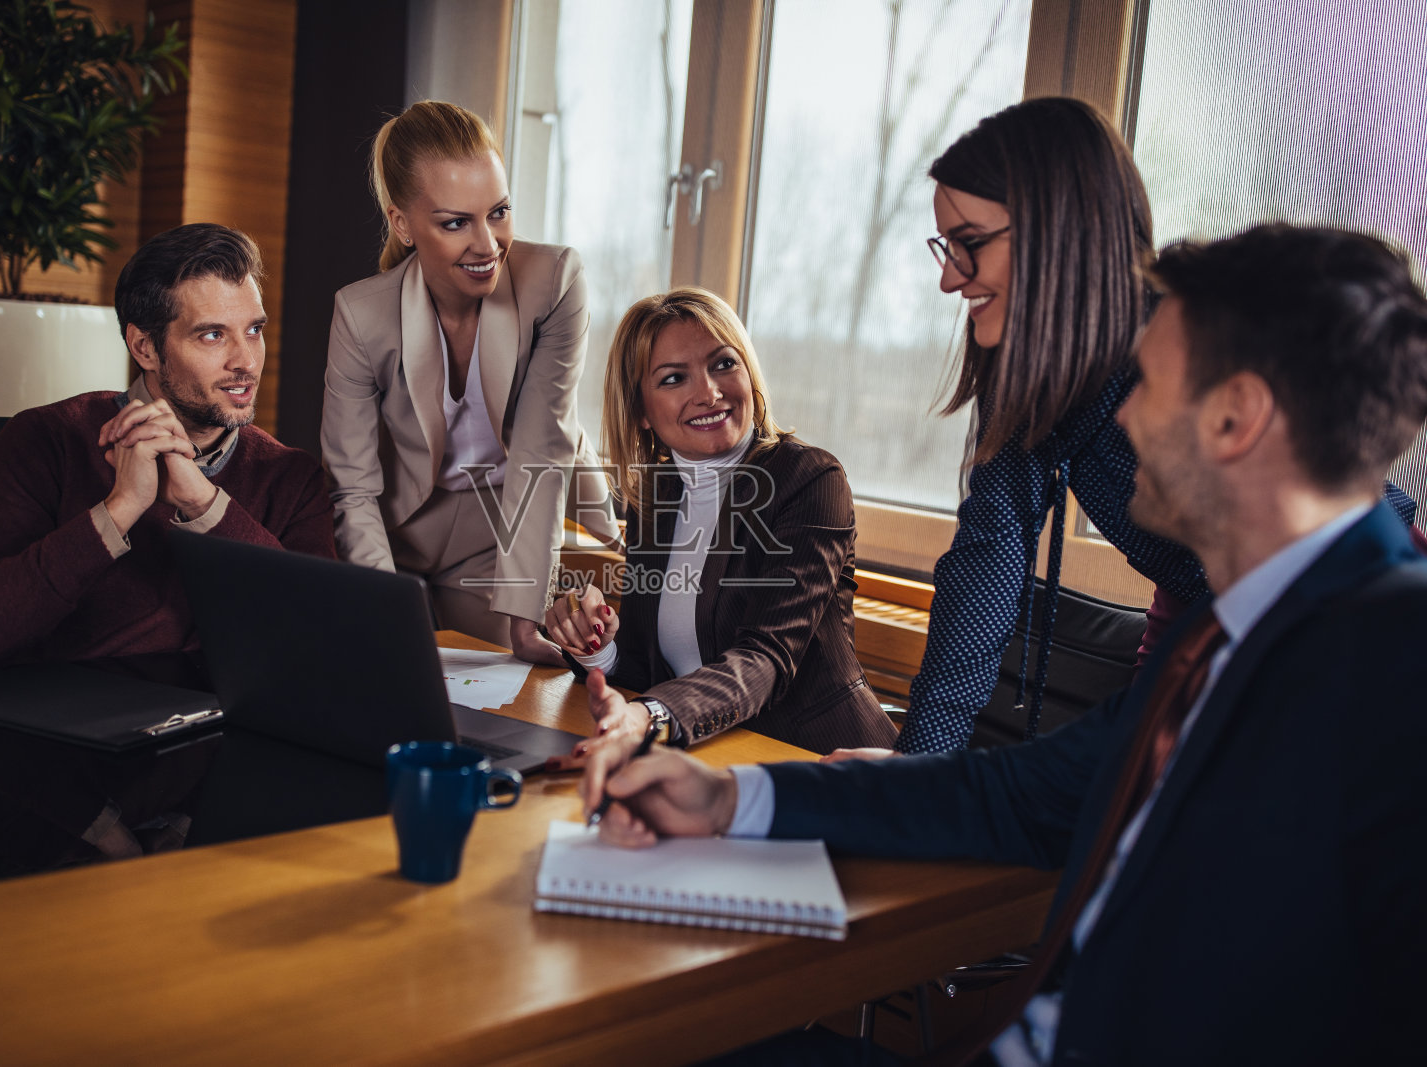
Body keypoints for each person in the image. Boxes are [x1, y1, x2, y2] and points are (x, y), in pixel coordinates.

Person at [582, 224, 1427, 1065]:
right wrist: (731, 803)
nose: (1122, 415)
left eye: (1151, 384)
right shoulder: (1226, 639)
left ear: (1237, 417)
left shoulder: (1390, 668)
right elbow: (1015, 797)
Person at [880, 96, 1418, 757]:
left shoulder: (1189, 339)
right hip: (1201, 617)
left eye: (969, 245)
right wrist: (919, 762)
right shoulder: (1029, 372)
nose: (948, 278)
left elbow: (1333, 508)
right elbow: (986, 566)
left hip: (1333, 615)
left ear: (1060, 236)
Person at [0, 223, 336, 678]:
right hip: (49, 730)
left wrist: (204, 504)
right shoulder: (46, 438)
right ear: (145, 348)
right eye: (213, 336)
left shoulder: (290, 476)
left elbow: (322, 640)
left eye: (254, 329)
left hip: (207, 733)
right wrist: (118, 510)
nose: (246, 361)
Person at [543, 288, 901, 759]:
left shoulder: (808, 480)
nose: (708, 392)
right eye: (673, 378)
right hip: (711, 762)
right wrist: (597, 648)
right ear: (642, 412)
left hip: (821, 764)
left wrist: (649, 717)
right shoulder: (656, 495)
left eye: (723, 364)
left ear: (748, 372)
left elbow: (766, 657)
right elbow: (650, 667)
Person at [322, 100, 614, 664]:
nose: (488, 244)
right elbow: (353, 485)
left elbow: (541, 450)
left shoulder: (553, 282)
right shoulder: (361, 314)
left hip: (500, 522)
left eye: (498, 212)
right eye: (455, 222)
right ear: (401, 224)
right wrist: (383, 611)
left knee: (510, 693)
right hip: (395, 528)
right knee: (386, 671)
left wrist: (526, 614)